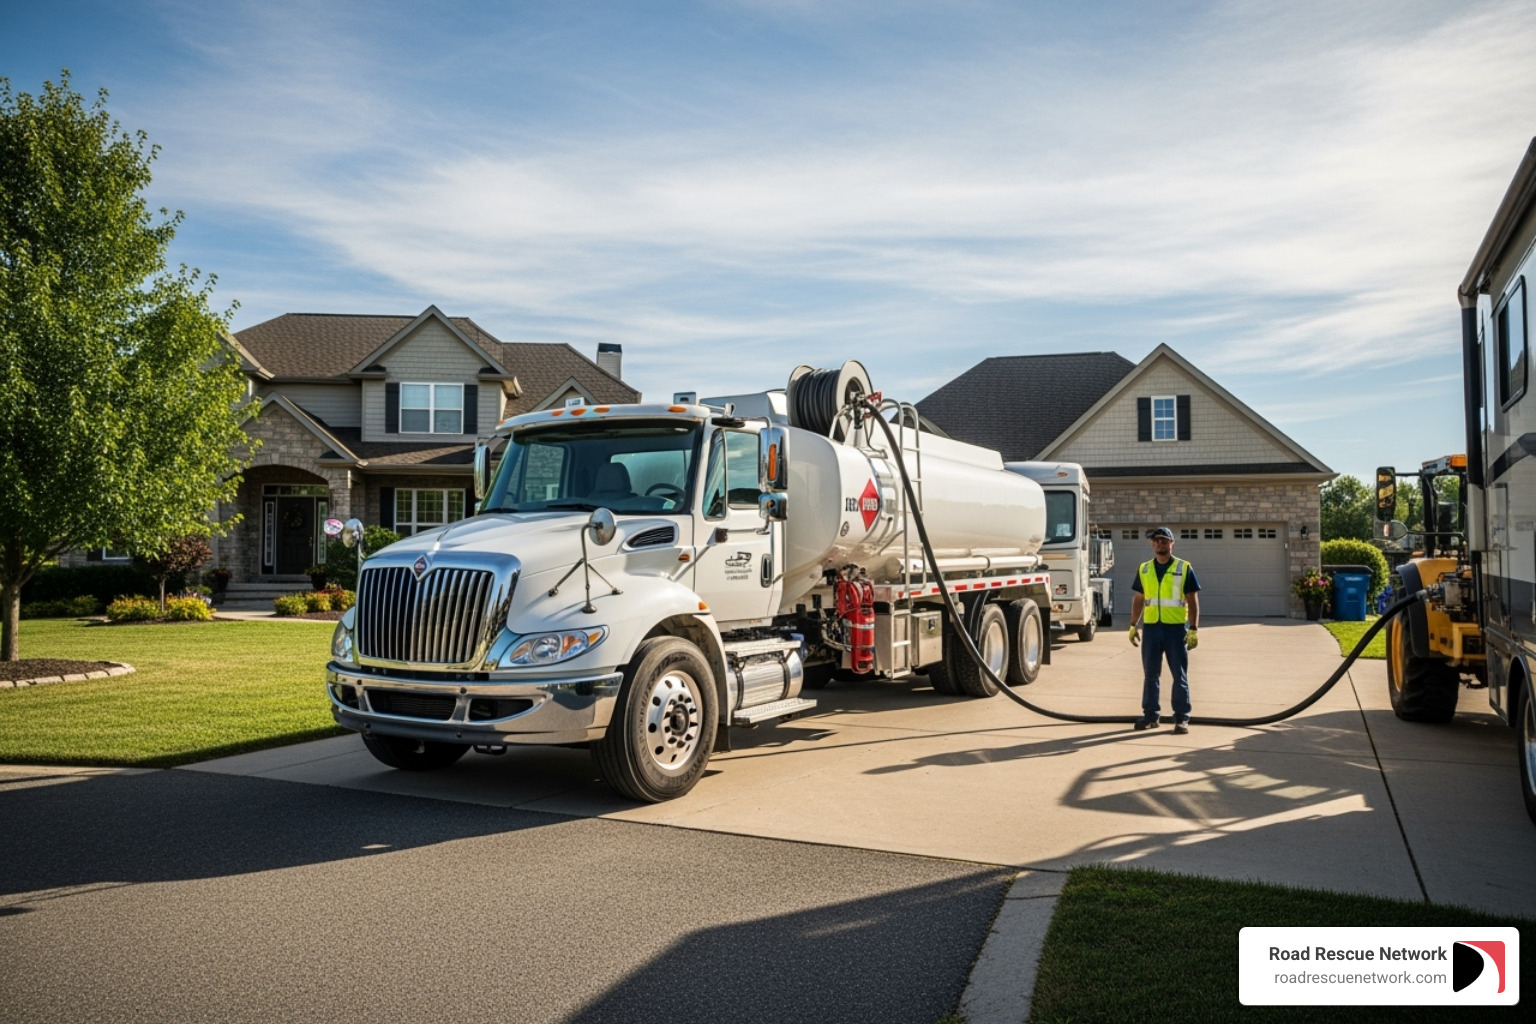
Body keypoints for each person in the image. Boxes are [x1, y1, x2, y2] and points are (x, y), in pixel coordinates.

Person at [1127, 527, 1201, 733]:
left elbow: (1192, 599)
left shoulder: (1183, 567)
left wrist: (1194, 627)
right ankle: (1150, 716)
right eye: (1156, 540)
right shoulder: (1144, 569)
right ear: (1152, 544)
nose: (1160, 543)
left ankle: (1181, 718)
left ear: (1172, 543)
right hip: (1151, 629)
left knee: (1179, 674)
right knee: (1151, 675)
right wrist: (1133, 625)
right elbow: (1139, 598)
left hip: (1175, 629)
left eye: (1164, 540)